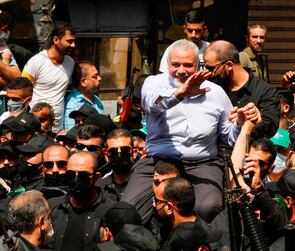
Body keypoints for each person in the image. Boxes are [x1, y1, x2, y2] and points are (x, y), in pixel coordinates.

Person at [122, 39, 255, 223]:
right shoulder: (154, 84)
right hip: (158, 161)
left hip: (202, 162)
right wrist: (181, 93)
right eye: (175, 65)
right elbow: (154, 104)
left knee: (209, 208)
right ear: (167, 64)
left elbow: (229, 138)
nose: (181, 70)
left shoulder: (215, 92)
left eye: (188, 65)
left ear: (198, 65)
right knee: (128, 210)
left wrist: (239, 124)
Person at [203, 40, 280, 139]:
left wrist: (248, 123)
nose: (209, 73)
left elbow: (270, 128)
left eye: (211, 69)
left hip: (248, 151)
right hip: (217, 152)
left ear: (229, 65)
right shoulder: (211, 87)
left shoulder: (265, 91)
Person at [48, 151, 115, 251]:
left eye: (83, 175)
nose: (76, 179)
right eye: (70, 174)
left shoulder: (111, 210)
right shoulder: (53, 206)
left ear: (96, 177)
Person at [22, 22, 76, 132]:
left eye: (74, 41)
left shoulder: (70, 62)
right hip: (36, 124)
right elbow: (22, 89)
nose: (73, 45)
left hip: (57, 125)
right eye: (69, 41)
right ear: (56, 40)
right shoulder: (37, 61)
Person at [154, 177, 220, 251]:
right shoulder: (167, 222)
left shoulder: (197, 240)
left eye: (157, 201)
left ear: (169, 207)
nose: (154, 204)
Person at [64, 61, 105, 130]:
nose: (99, 78)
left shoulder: (95, 98)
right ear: (83, 82)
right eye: (95, 77)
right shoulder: (72, 105)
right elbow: (72, 134)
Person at [96, 129, 134, 202]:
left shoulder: (144, 182)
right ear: (106, 154)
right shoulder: (99, 187)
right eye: (113, 151)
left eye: (125, 150)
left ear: (134, 152)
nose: (119, 155)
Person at [0, 9, 21, 88]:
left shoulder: (3, 47)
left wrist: (4, 63)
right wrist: (5, 64)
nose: (4, 33)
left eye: (5, 29)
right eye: (2, 29)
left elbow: (17, 77)